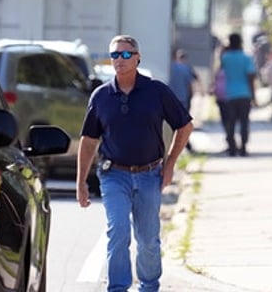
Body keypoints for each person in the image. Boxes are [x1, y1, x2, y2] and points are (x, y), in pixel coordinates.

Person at [76, 34, 193, 292]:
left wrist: (170, 164)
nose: (120, 59)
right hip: (113, 175)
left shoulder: (157, 91)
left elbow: (184, 126)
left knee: (148, 239)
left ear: (137, 58)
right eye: (115, 54)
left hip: (150, 174)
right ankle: (118, 287)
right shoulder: (101, 96)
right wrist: (81, 181)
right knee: (118, 231)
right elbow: (88, 140)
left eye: (126, 54)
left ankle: (149, 286)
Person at [220, 32, 257, 156]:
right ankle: (243, 147)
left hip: (230, 94)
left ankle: (231, 147)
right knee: (244, 122)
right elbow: (251, 77)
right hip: (245, 93)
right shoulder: (247, 58)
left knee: (231, 122)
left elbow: (221, 71)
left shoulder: (225, 58)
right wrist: (254, 96)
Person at [169, 48, 199, 151]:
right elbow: (190, 84)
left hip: (168, 100)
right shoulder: (184, 68)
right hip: (182, 99)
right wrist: (191, 96)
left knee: (170, 126)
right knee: (183, 125)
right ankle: (186, 145)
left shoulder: (167, 68)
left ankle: (172, 147)